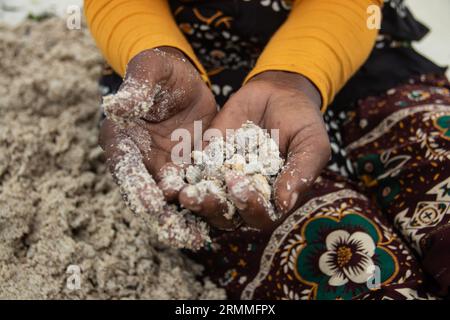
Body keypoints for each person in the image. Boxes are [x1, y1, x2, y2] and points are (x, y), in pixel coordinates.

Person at [85, 0, 450, 299]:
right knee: (331, 258)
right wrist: (153, 49)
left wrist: (294, 77)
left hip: (357, 50)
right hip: (188, 85)